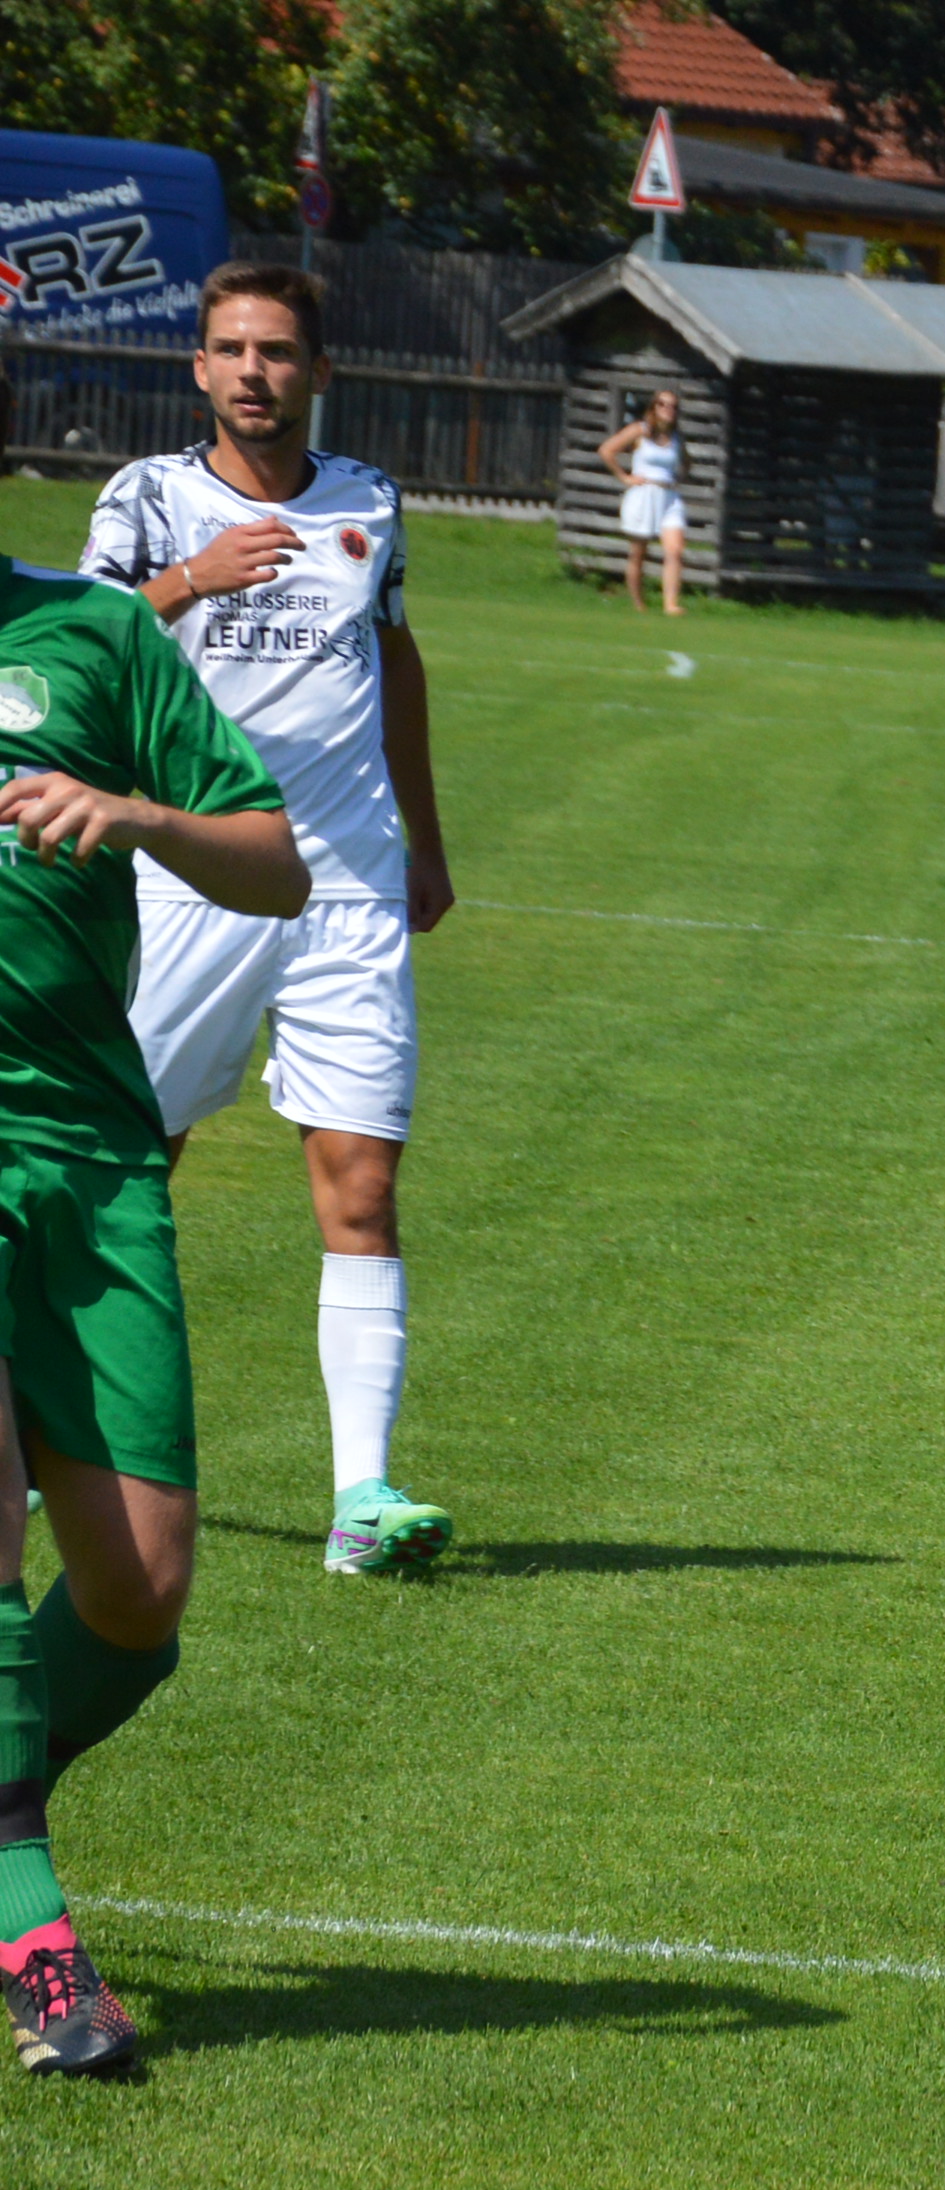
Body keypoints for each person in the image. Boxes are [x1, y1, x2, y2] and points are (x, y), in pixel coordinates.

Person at [82, 262, 460, 1578]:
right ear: (200, 368)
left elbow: (393, 658)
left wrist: (424, 837)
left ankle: (363, 1499)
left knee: (363, 1181)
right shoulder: (148, 500)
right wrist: (193, 579)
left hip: (347, 883)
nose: (255, 371)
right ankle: (49, 1438)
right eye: (233, 349)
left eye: (280, 351)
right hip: (189, 876)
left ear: (319, 371)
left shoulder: (370, 501)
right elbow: (83, 641)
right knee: (127, 1166)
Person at [0, 545, 311, 2075]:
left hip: (89, 1146)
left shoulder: (102, 634)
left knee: (138, 1591)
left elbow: (277, 864)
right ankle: (34, 1944)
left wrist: (137, 817)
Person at [600, 389, 689, 616]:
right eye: (663, 404)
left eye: (673, 406)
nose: (668, 410)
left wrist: (677, 478)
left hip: (669, 496)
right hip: (644, 495)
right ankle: (639, 605)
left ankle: (671, 605)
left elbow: (687, 463)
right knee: (639, 553)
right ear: (654, 407)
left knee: (675, 550)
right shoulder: (640, 430)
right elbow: (606, 450)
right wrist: (625, 477)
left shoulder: (676, 437)